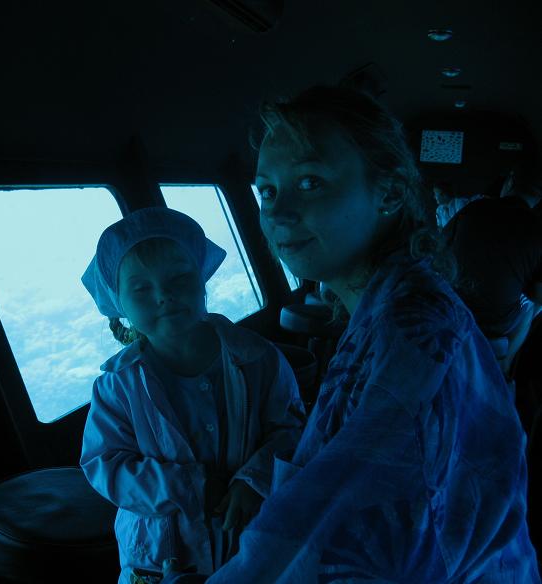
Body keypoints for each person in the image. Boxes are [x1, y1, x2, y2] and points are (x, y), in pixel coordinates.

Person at [164, 85, 540, 583]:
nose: (277, 212)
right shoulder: (390, 305)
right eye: (267, 190)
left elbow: (328, 539)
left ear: (389, 193)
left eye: (310, 182)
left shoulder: (412, 333)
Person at [79, 207, 306, 584]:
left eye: (179, 278)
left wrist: (255, 480)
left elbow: (291, 431)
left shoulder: (259, 359)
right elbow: (105, 465)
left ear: (202, 279)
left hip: (250, 540)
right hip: (159, 558)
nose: (163, 295)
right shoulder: (117, 386)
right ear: (118, 303)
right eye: (141, 288)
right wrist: (191, 486)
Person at [443, 164, 542, 376]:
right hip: (494, 327)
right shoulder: (537, 230)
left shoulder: (473, 209)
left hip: (451, 310)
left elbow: (439, 250)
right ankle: (505, 364)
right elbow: (538, 295)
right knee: (531, 307)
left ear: (510, 181)